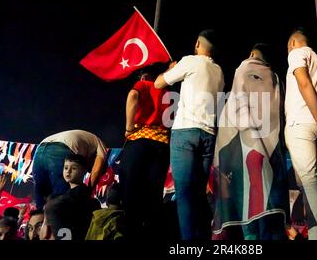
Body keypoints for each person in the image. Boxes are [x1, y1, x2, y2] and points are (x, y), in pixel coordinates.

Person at [212, 43, 289, 240]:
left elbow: (237, 102)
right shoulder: (277, 79)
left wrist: (245, 130)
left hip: (246, 145)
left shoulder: (245, 67)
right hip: (272, 149)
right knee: (271, 206)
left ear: (253, 53)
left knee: (249, 207)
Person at [154, 29, 225, 240]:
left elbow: (159, 83)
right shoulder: (220, 71)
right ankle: (202, 237)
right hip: (208, 134)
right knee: (198, 193)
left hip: (185, 132)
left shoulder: (190, 61)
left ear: (197, 44)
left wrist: (171, 69)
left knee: (184, 193)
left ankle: (188, 242)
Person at [284, 28, 317, 240]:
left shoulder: (297, 53)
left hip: (303, 122)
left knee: (309, 182)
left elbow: (303, 81)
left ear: (293, 43)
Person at [118, 63, 171, 240]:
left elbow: (133, 96)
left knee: (131, 191)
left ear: (142, 77)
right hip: (162, 144)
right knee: (153, 194)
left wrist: (128, 128)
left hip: (140, 140)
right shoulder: (168, 93)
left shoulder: (144, 84)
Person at [32, 129, 108, 210]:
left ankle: (39, 220)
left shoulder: (88, 141)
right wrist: (86, 193)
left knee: (41, 194)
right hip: (60, 149)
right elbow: (96, 172)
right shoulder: (101, 145)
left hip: (40, 149)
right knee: (62, 202)